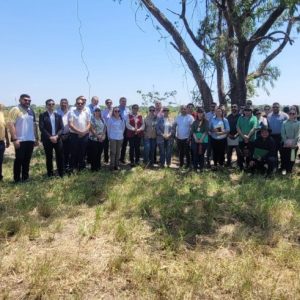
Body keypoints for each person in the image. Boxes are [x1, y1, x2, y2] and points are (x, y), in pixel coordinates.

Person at [7, 94, 39, 183]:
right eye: (25, 100)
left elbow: (34, 125)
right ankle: (17, 179)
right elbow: (10, 124)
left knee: (27, 159)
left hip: (30, 139)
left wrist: (36, 138)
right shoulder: (15, 109)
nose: (27, 102)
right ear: (20, 100)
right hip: (20, 139)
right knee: (19, 159)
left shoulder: (31, 110)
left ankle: (25, 177)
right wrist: (14, 139)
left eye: (29, 100)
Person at [39, 99, 64, 177]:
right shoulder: (42, 115)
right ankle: (50, 174)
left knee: (59, 156)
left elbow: (62, 128)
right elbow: (42, 128)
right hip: (47, 139)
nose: (51, 106)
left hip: (57, 139)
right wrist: (50, 137)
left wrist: (56, 136)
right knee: (49, 157)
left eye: (52, 104)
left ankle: (61, 173)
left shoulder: (58, 116)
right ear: (46, 105)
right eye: (49, 104)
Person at [68, 96, 91, 172]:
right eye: (78, 103)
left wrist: (84, 132)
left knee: (83, 152)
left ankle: (81, 167)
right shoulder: (72, 111)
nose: (80, 104)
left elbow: (89, 123)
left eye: (82, 103)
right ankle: (73, 168)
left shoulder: (86, 112)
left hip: (84, 135)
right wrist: (79, 132)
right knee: (74, 152)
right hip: (74, 135)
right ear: (76, 103)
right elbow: (70, 125)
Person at [267, 102, 288, 169]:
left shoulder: (285, 115)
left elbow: (287, 126)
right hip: (272, 137)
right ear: (272, 108)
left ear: (279, 107)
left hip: (281, 136)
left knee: (282, 153)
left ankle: (283, 168)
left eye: (277, 107)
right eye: (274, 107)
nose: (275, 108)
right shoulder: (269, 115)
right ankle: (275, 167)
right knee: (274, 152)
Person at [280, 108, 300, 175]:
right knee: (284, 157)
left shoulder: (298, 123)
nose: (291, 114)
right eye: (290, 113)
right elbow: (283, 133)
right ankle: (284, 169)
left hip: (294, 144)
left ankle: (289, 170)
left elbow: (298, 134)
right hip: (285, 143)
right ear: (288, 114)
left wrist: (293, 143)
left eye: (293, 113)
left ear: (296, 114)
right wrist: (286, 142)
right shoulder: (284, 122)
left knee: (292, 158)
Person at [56, 98, 71, 172]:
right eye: (62, 103)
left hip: (68, 134)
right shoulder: (57, 112)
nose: (64, 104)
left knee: (68, 151)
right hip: (59, 135)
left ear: (67, 104)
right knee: (60, 151)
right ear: (60, 104)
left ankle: (67, 166)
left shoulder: (70, 112)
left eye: (65, 103)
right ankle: (61, 167)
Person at [0, 104, 10, 181]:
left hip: (1, 142)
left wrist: (7, 140)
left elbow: (5, 128)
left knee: (0, 160)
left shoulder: (2, 114)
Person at [205, 102, 217, 167]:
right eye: (212, 106)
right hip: (209, 134)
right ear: (210, 107)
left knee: (215, 149)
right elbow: (206, 124)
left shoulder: (218, 114)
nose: (213, 108)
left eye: (214, 106)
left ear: (216, 107)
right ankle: (208, 162)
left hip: (216, 134)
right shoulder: (207, 114)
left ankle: (215, 163)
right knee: (208, 149)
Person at [102, 99, 113, 163]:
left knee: (112, 146)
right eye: (107, 102)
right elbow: (103, 120)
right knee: (105, 146)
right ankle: (106, 159)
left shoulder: (115, 110)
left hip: (113, 130)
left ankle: (112, 159)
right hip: (105, 130)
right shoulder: (103, 111)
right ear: (106, 103)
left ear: (112, 103)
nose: (109, 103)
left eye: (110, 102)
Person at [119, 97, 130, 163]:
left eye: (125, 101)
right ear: (119, 102)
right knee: (118, 144)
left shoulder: (128, 109)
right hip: (118, 128)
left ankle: (122, 158)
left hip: (126, 128)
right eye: (122, 101)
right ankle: (116, 159)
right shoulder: (116, 109)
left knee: (124, 144)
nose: (124, 102)